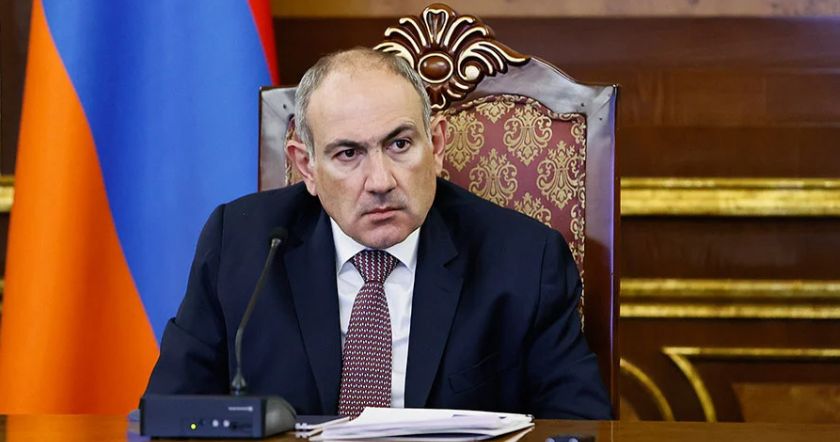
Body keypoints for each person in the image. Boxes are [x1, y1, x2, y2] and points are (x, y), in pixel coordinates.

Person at [145, 48, 611, 419]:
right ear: (306, 166)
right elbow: (170, 414)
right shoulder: (241, 246)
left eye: (400, 144)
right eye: (348, 154)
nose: (381, 181)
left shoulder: (524, 260)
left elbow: (578, 424)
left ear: (437, 145)